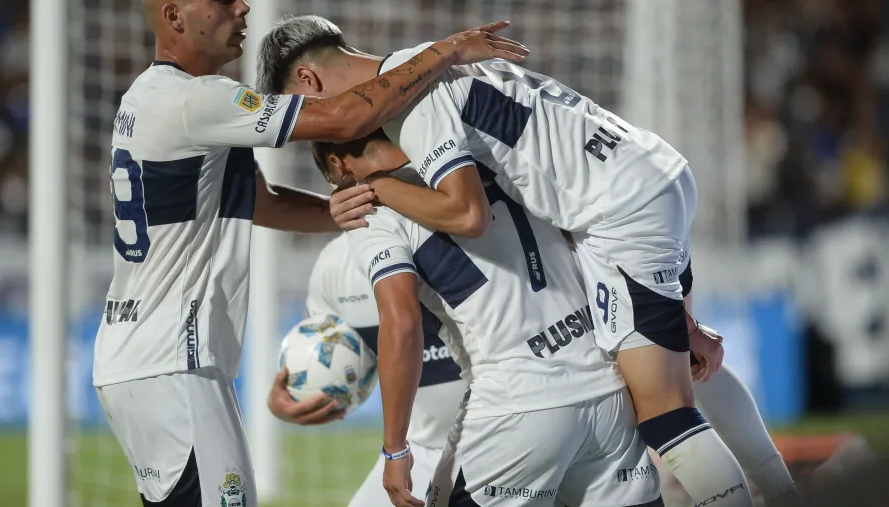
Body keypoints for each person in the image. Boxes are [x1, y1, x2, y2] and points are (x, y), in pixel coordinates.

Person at [257, 15, 799, 507]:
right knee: (678, 375)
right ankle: (777, 485)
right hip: (636, 201)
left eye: (312, 119)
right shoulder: (432, 85)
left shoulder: (404, 134)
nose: (319, 125)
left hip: (516, 401)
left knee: (669, 411)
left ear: (309, 86)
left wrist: (373, 188)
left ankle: (780, 493)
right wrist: (677, 316)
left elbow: (460, 229)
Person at [92, 1, 529, 505]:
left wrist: (371, 207)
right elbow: (345, 118)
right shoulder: (197, 101)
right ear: (174, 17)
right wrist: (445, 51)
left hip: (137, 358)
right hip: (172, 359)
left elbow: (263, 203)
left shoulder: (151, 98)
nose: (243, 6)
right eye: (221, 1)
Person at [308, 130, 664, 507]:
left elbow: (402, 322)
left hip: (515, 405)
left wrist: (395, 449)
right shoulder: (490, 159)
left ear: (338, 164)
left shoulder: (372, 210)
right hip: (608, 396)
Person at [267, 232, 468, 507]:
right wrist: (295, 393)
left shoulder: (458, 239)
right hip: (420, 450)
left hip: (498, 434)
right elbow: (322, 359)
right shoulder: (334, 263)